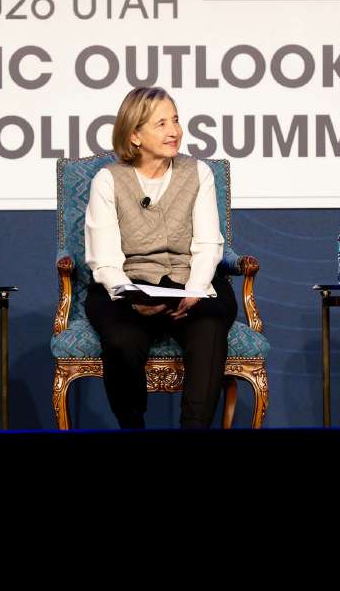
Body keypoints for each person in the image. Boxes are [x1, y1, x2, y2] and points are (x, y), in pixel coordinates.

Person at [84, 86, 236, 428]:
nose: (175, 131)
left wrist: (196, 290)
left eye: (176, 120)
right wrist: (133, 297)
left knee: (210, 327)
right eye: (162, 123)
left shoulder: (198, 173)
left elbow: (208, 243)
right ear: (135, 135)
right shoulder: (108, 181)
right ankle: (135, 433)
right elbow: (104, 258)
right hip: (129, 285)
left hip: (190, 283)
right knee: (122, 341)